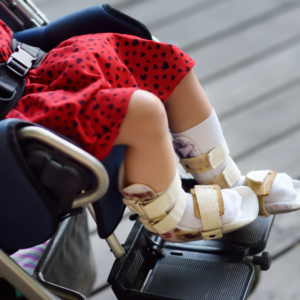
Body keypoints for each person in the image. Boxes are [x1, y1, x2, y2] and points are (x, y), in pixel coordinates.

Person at [1, 18, 299, 244]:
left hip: (26, 66)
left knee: (162, 60)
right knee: (140, 110)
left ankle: (222, 178)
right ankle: (174, 217)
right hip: (16, 119)